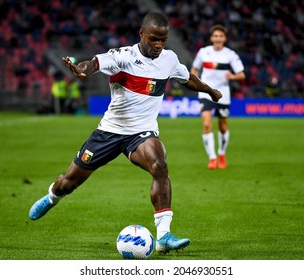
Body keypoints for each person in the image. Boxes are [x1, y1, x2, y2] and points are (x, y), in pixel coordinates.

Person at [29, 12, 221, 254]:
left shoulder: (169, 60)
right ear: (141, 34)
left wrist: (209, 90)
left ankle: (164, 235)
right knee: (69, 183)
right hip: (109, 132)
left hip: (141, 133)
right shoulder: (122, 56)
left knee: (159, 164)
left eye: (163, 40)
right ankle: (52, 197)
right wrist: (81, 69)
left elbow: (187, 78)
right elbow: (95, 63)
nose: (159, 45)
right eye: (154, 39)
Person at [191, 25, 245, 169]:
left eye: (221, 36)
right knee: (207, 124)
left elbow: (241, 74)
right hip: (206, 92)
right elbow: (194, 69)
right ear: (211, 38)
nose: (218, 38)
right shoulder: (203, 52)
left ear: (225, 38)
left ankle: (221, 153)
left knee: (222, 126)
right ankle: (212, 158)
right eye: (215, 36)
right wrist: (197, 81)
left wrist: (232, 76)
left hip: (223, 94)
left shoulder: (230, 54)